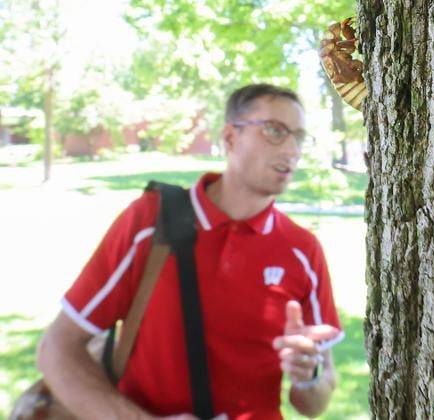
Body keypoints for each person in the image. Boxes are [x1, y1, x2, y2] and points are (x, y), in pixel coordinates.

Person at [37, 84, 345, 419]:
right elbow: (56, 350)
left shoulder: (302, 249)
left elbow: (315, 403)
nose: (291, 149)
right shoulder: (149, 222)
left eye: (299, 137)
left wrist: (308, 375)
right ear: (230, 138)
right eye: (275, 131)